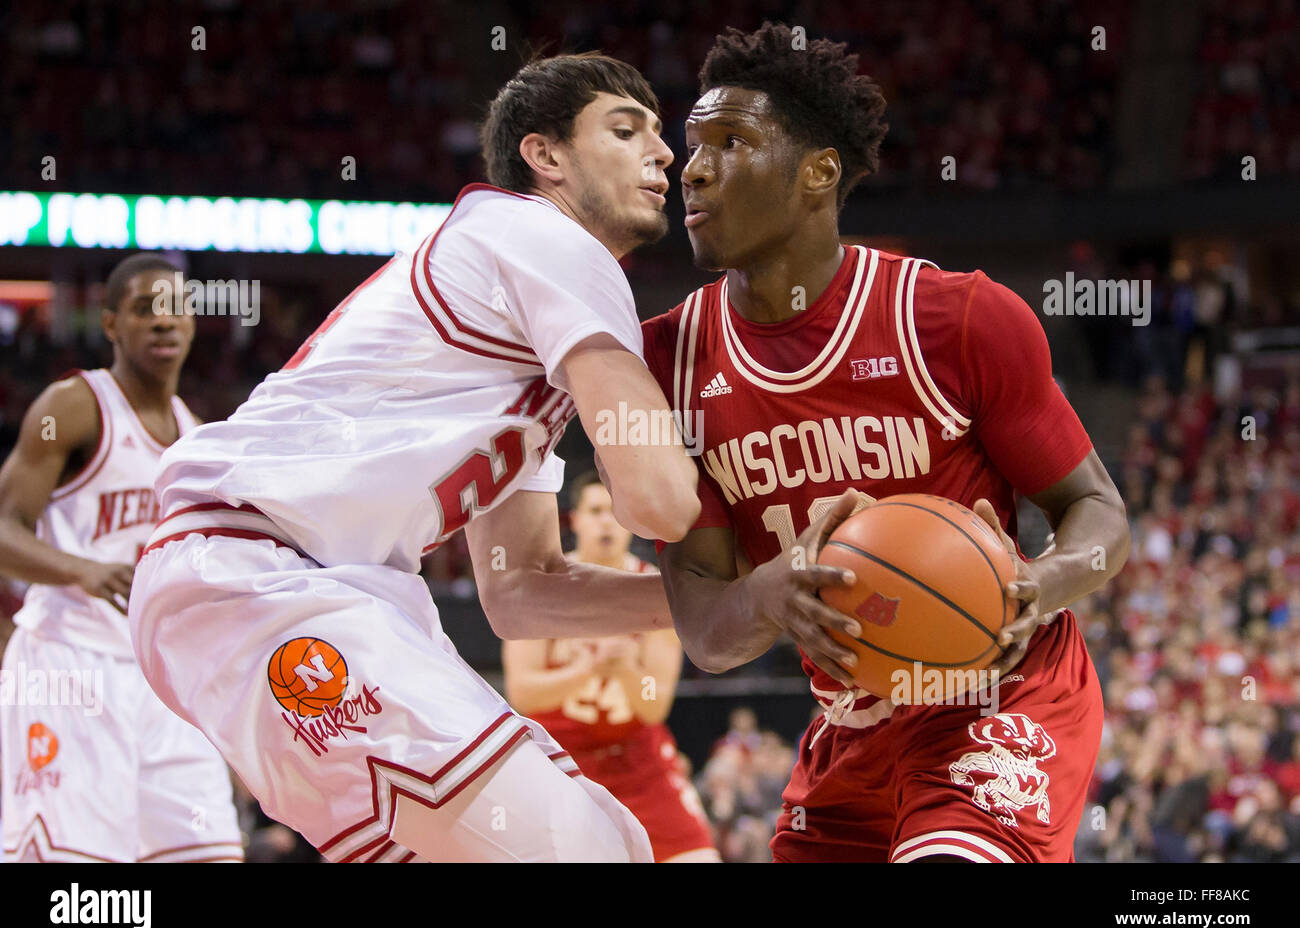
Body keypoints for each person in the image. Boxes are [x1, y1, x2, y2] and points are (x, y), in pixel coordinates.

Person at [127, 53, 700, 863]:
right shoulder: (547, 239)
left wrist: (700, 607)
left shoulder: (526, 328)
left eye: (656, 130)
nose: (666, 151)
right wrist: (756, 579)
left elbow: (523, 591)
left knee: (612, 843)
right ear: (547, 157)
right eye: (625, 127)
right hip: (256, 571)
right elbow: (661, 503)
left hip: (307, 589)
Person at [641, 24, 1131, 863]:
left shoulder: (956, 319)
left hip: (999, 691)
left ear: (818, 173)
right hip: (852, 723)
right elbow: (707, 634)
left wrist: (1035, 583)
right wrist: (769, 594)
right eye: (691, 145)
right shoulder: (667, 364)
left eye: (730, 141)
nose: (693, 167)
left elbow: (1097, 512)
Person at [0, 253, 243, 863]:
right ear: (110, 324)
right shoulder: (74, 405)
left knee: (209, 853)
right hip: (71, 667)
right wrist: (79, 568)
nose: (163, 323)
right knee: (77, 880)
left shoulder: (197, 437)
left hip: (162, 682)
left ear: (191, 323)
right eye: (143, 310)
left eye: (174, 310)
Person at [503, 470, 718, 862]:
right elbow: (522, 692)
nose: (606, 521)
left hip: (638, 759)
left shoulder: (657, 591)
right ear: (576, 520)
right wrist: (586, 670)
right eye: (596, 510)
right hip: (559, 759)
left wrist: (624, 670)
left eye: (615, 513)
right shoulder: (542, 588)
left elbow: (654, 706)